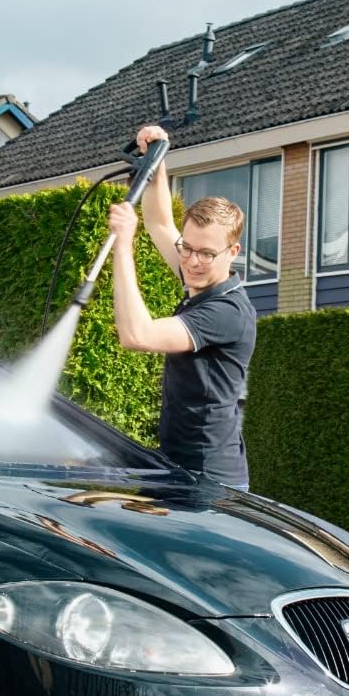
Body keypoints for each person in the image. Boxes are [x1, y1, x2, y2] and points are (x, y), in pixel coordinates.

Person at [107, 125, 257, 491]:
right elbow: (159, 222)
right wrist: (158, 162)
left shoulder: (226, 312)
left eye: (207, 253)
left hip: (208, 482)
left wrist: (123, 245)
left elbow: (136, 335)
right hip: (176, 466)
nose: (191, 261)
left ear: (232, 252)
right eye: (187, 248)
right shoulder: (199, 274)